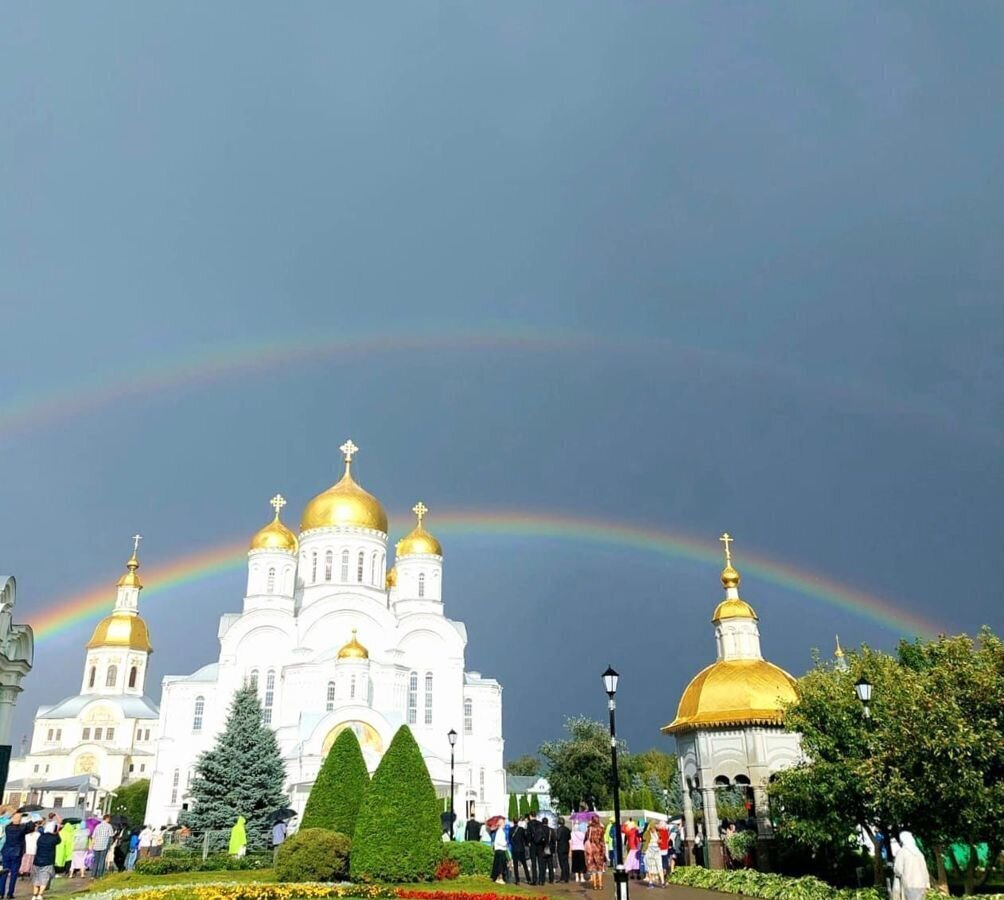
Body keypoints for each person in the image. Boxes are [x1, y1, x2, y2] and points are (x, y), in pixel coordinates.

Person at [893, 832, 930, 900]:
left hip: (909, 885)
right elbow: (925, 871)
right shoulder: (919, 853)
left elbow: (898, 870)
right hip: (921, 885)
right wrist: (927, 884)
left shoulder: (902, 852)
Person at [2, 813, 32, 898]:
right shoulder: (22, 828)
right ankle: (10, 893)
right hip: (17, 853)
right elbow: (31, 826)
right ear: (20, 820)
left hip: (6, 851)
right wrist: (29, 817)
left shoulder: (7, 828)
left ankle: (1, 892)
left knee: (4, 872)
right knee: (14, 874)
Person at [29, 819, 61, 899]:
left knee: (36, 878)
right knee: (45, 878)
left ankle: (34, 895)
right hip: (48, 861)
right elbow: (59, 841)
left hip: (37, 860)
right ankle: (40, 894)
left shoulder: (40, 837)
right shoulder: (53, 838)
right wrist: (57, 833)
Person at [585, 814, 607, 891]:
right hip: (599, 850)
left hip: (591, 849)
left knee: (593, 868)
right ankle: (600, 885)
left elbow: (586, 838)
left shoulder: (589, 828)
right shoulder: (601, 828)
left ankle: (594, 885)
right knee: (600, 868)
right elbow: (602, 839)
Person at [509, 817, 530, 885]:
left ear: (513, 822)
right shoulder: (521, 829)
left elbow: (510, 839)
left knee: (515, 865)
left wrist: (513, 844)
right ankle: (528, 878)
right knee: (524, 865)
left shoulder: (511, 829)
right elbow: (525, 838)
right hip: (521, 849)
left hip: (515, 849)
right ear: (518, 822)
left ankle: (517, 880)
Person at [644, 822, 665, 886]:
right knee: (650, 866)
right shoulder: (648, 833)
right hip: (649, 850)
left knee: (659, 865)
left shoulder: (657, 833)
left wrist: (659, 841)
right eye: (653, 827)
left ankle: (662, 882)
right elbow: (644, 838)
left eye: (655, 828)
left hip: (656, 851)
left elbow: (660, 840)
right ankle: (651, 882)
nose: (654, 829)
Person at [491, 819, 508, 884]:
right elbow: (499, 841)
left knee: (499, 865)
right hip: (500, 850)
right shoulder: (500, 832)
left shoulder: (499, 831)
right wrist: (505, 843)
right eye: (503, 823)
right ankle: (499, 878)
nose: (504, 825)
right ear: (501, 824)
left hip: (499, 850)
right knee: (500, 866)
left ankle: (498, 878)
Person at [555, 817, 572, 883]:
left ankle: (563, 876)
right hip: (566, 847)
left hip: (560, 847)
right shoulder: (567, 829)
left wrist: (556, 836)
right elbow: (569, 838)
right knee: (566, 862)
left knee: (561, 863)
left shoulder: (559, 829)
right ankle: (566, 877)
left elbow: (558, 838)